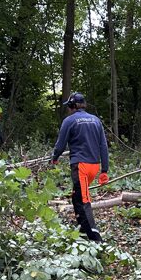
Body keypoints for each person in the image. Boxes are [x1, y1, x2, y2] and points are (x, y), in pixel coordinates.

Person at [51, 92, 109, 241]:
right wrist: (104, 170)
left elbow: (60, 145)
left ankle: (95, 238)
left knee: (83, 200)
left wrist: (55, 158)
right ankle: (82, 230)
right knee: (77, 196)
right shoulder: (96, 120)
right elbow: (103, 146)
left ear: (73, 105)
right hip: (94, 166)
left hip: (80, 166)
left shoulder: (69, 121)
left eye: (69, 106)